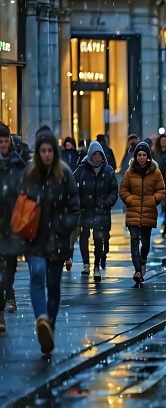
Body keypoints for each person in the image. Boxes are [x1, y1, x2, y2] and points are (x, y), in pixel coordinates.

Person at [21, 131, 80, 354]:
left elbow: (75, 206)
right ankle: (42, 319)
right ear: (38, 152)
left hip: (56, 238)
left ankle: (49, 327)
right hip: (34, 237)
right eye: (42, 151)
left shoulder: (64, 174)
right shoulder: (30, 173)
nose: (46, 154)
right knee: (37, 274)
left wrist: (64, 226)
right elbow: (20, 201)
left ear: (54, 152)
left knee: (53, 284)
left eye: (49, 151)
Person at [119, 142, 166, 283]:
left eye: (144, 155)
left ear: (148, 157)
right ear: (135, 156)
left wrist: (153, 200)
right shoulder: (129, 172)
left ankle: (143, 258)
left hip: (148, 212)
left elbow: (161, 190)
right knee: (134, 241)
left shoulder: (155, 172)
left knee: (145, 243)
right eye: (139, 155)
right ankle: (138, 271)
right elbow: (123, 190)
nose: (141, 157)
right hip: (133, 211)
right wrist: (130, 199)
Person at [74, 140, 119, 282]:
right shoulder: (81, 170)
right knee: (84, 236)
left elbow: (114, 190)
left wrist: (108, 202)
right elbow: (74, 189)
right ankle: (86, 263)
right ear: (90, 156)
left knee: (98, 239)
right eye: (95, 155)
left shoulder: (108, 171)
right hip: (85, 210)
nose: (97, 158)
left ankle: (96, 265)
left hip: (101, 210)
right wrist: (78, 204)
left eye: (99, 155)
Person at [0, 124, 25, 332]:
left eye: (6, 141)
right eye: (0, 141)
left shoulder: (18, 164)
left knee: (10, 267)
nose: (3, 145)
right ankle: (0, 312)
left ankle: (9, 291)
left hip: (13, 224)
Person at [152, 134, 166, 239]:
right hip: (158, 181)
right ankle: (163, 221)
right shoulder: (156, 154)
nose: (163, 142)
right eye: (162, 140)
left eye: (165, 140)